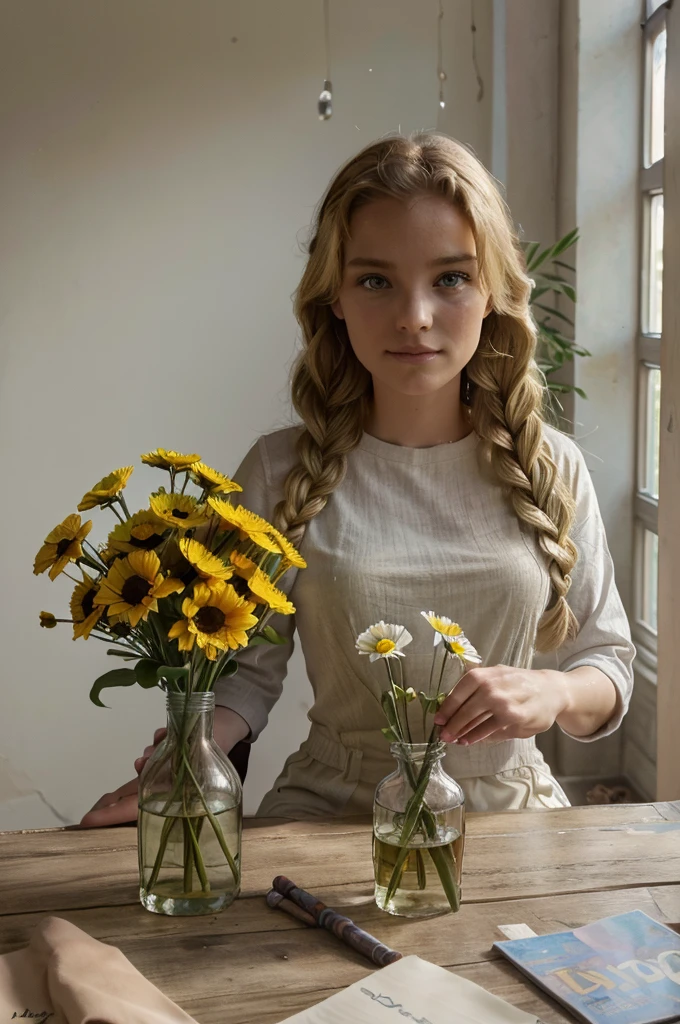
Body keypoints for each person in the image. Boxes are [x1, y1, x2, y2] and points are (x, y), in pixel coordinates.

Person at [80, 131, 634, 828]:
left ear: (492, 290)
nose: (414, 316)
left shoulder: (551, 466)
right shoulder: (280, 471)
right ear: (335, 297)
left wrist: (549, 693)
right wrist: (185, 760)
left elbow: (606, 668)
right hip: (329, 815)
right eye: (375, 281)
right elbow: (243, 678)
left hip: (513, 817)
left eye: (451, 278)